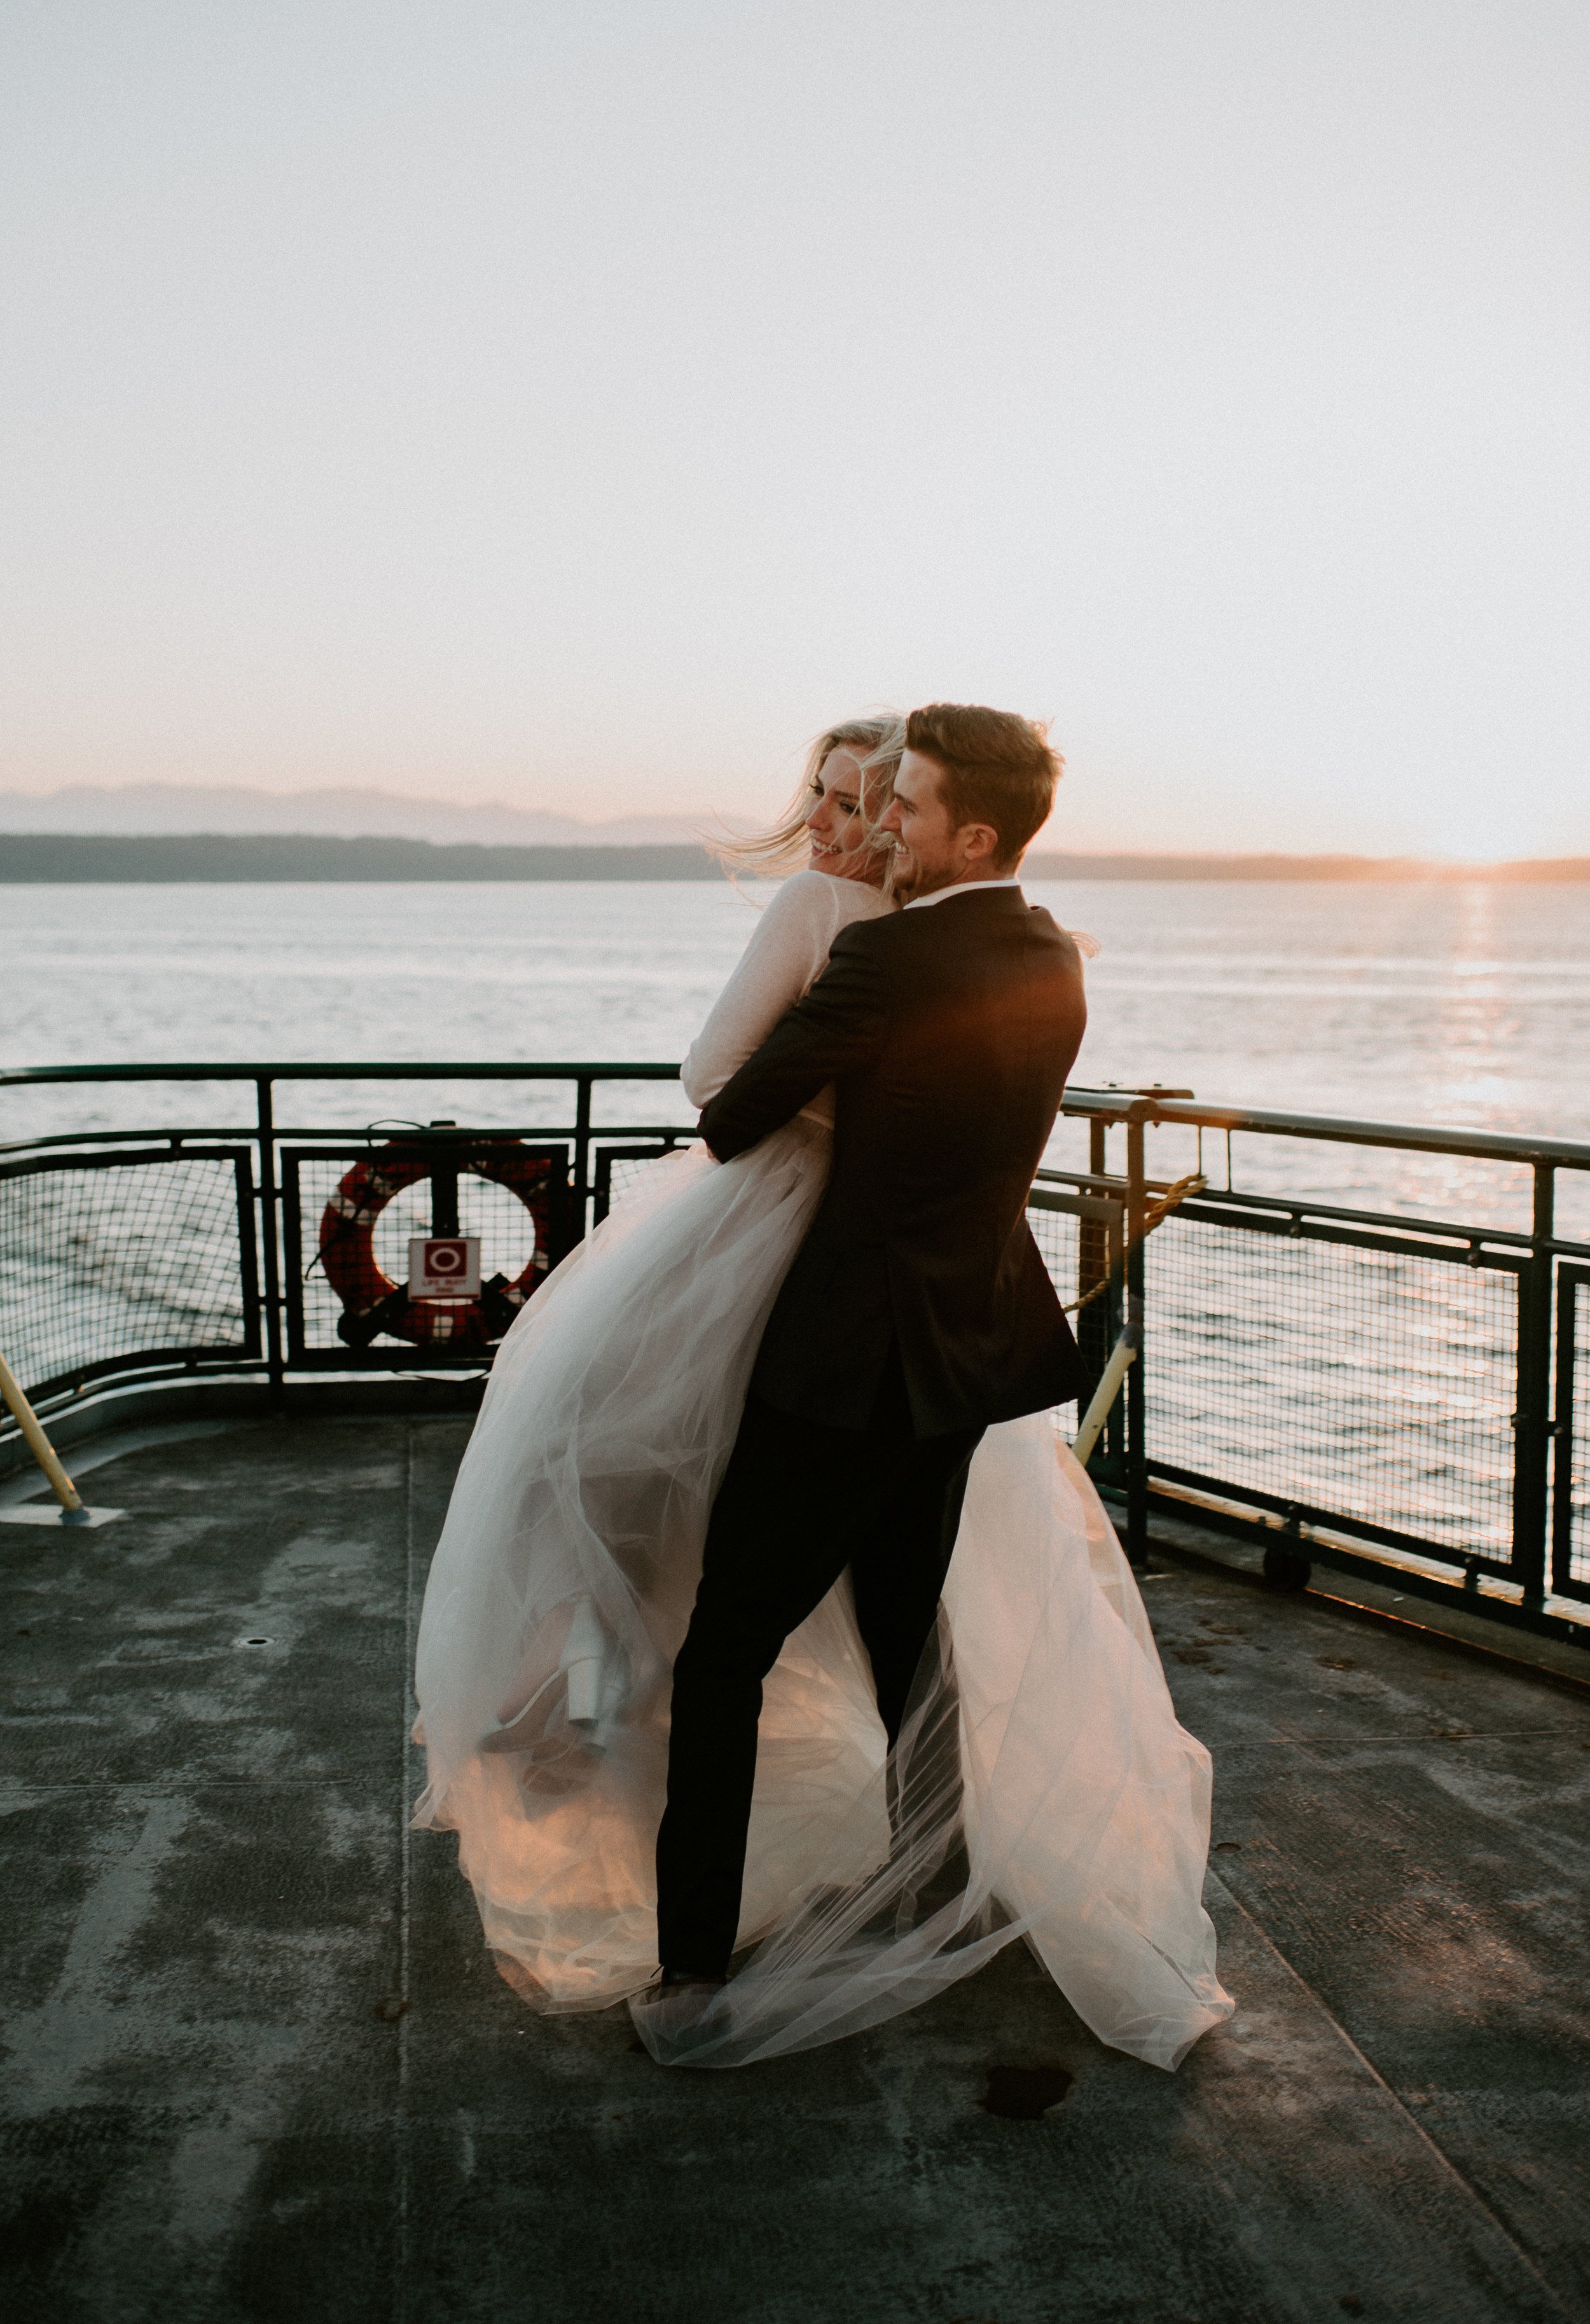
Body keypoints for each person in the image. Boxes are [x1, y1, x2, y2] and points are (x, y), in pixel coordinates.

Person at [413, 707, 1232, 2075]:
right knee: (906, 1635)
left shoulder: (885, 956)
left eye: (901, 803)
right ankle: (914, 1892)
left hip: (846, 1359)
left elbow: (729, 1110)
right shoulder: (1050, 955)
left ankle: (687, 1978)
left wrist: (848, 1075)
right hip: (971, 1354)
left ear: (967, 828)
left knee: (724, 1648)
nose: (877, 821)